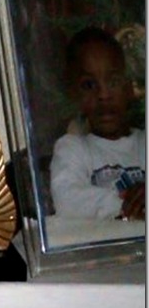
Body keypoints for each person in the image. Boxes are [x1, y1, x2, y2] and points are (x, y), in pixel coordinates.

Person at [50, 27, 145, 220]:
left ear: (129, 88)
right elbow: (67, 199)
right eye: (89, 85)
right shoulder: (72, 149)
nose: (103, 95)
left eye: (113, 82)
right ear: (74, 94)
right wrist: (125, 203)